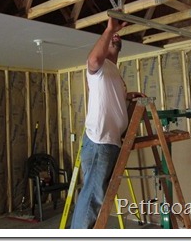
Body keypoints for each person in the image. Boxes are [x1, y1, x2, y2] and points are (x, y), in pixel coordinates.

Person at [70, 15, 131, 229]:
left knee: (96, 197)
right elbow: (94, 60)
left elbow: (113, 99)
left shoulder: (113, 71)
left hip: (110, 141)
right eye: (111, 38)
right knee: (92, 199)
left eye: (116, 37)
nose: (115, 37)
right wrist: (108, 30)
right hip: (100, 140)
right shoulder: (99, 68)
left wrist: (129, 95)